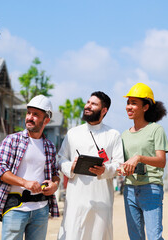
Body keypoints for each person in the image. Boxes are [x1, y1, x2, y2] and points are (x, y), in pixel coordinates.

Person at [0, 95, 60, 240]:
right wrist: (25, 183)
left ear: (46, 120)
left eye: (36, 115)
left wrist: (55, 185)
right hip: (15, 208)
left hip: (41, 209)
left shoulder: (49, 146)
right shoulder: (11, 140)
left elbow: (54, 172)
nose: (30, 117)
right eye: (29, 113)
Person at [57, 91, 124, 240]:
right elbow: (60, 159)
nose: (88, 106)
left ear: (104, 110)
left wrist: (105, 170)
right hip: (75, 201)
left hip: (101, 202)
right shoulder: (72, 133)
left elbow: (119, 165)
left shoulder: (113, 134)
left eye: (93, 104)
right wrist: (71, 167)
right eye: (88, 102)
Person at [121, 83, 168, 240]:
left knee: (154, 237)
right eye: (128, 102)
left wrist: (139, 158)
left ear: (145, 107)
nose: (129, 106)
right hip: (129, 190)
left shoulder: (156, 130)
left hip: (151, 189)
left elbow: (161, 161)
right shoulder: (123, 135)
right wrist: (122, 168)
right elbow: (122, 163)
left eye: (134, 103)